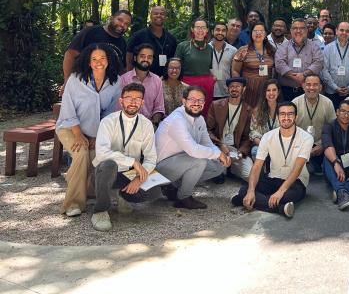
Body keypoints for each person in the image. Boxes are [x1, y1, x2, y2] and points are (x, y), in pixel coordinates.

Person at [56, 44, 123, 217]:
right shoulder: (75, 79)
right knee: (81, 153)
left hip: (97, 131)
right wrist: (79, 134)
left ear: (109, 60)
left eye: (102, 58)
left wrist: (97, 135)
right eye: (94, 59)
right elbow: (68, 110)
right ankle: (73, 203)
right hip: (70, 127)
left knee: (97, 155)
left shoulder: (116, 82)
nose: (98, 62)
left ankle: (91, 193)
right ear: (88, 61)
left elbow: (111, 112)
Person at [91, 83, 161, 231]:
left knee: (155, 190)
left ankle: (122, 196)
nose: (133, 102)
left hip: (129, 174)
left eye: (137, 99)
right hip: (104, 173)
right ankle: (100, 211)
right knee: (109, 164)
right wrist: (133, 161)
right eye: (129, 98)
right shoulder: (108, 121)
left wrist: (138, 179)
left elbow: (150, 158)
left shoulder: (146, 124)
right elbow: (102, 153)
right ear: (121, 101)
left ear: (142, 102)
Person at [231, 100, 313, 218]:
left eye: (290, 114)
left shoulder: (306, 138)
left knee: (287, 196)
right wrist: (250, 191)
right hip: (273, 178)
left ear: (296, 116)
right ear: (278, 117)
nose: (286, 117)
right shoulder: (268, 136)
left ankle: (245, 200)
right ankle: (280, 209)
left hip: (296, 182)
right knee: (246, 189)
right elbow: (257, 165)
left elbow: (298, 168)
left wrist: (280, 192)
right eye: (282, 114)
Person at [155, 85, 231, 209]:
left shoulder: (199, 119)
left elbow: (207, 143)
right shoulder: (177, 119)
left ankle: (174, 187)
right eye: (192, 100)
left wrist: (220, 156)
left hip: (181, 162)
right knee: (199, 160)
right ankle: (183, 197)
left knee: (218, 166)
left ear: (204, 102)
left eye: (200, 100)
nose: (196, 103)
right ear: (184, 101)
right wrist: (218, 154)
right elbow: (193, 150)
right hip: (160, 169)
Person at [62, 10, 132, 85]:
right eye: (120, 20)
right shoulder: (90, 32)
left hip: (108, 89)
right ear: (112, 18)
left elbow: (122, 69)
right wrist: (67, 81)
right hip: (82, 84)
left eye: (126, 24)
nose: (122, 24)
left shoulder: (123, 43)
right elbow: (70, 54)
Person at [205, 77, 253, 181]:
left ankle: (232, 168)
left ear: (243, 89)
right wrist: (220, 144)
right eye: (231, 86)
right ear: (228, 89)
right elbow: (207, 130)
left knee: (250, 175)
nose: (234, 89)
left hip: (236, 149)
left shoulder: (249, 109)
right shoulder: (215, 105)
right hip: (218, 146)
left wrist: (241, 152)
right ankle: (224, 168)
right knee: (217, 174)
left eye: (238, 86)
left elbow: (248, 136)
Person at [294, 72, 336, 173]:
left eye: (315, 85)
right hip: (300, 145)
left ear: (320, 87)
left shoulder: (327, 103)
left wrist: (322, 145)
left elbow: (333, 128)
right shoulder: (295, 103)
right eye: (308, 84)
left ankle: (313, 165)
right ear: (303, 86)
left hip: (320, 145)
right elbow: (290, 130)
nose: (311, 88)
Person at [274, 18, 324, 101]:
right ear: (291, 31)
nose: (298, 31)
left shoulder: (314, 47)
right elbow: (279, 64)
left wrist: (304, 75)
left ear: (306, 30)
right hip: (286, 91)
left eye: (301, 28)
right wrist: (295, 76)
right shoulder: (283, 46)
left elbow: (318, 63)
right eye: (295, 28)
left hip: (307, 91)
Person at [174, 18, 215, 114]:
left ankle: (203, 128)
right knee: (188, 110)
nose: (200, 30)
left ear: (207, 30)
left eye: (203, 27)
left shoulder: (209, 48)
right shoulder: (183, 46)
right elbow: (175, 66)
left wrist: (213, 78)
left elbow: (209, 67)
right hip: (188, 84)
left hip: (206, 85)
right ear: (192, 29)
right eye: (197, 27)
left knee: (205, 110)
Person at [232, 21, 276, 110]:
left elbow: (275, 70)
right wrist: (238, 87)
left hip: (266, 91)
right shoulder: (243, 50)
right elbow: (235, 70)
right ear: (251, 33)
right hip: (248, 91)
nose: (258, 33)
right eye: (255, 31)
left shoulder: (271, 50)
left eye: (261, 31)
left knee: (263, 116)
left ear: (265, 34)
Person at [119, 43, 165, 126]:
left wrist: (152, 124)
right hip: (126, 125)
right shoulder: (124, 79)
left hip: (149, 125)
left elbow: (159, 108)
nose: (146, 59)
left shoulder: (157, 80)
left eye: (149, 57)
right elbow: (119, 107)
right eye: (142, 56)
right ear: (135, 58)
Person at [126, 6, 178, 77]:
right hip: (142, 77)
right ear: (150, 16)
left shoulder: (171, 38)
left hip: (164, 79)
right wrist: (130, 74)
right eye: (155, 13)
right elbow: (129, 55)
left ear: (165, 17)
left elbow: (173, 60)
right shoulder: (138, 35)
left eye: (162, 14)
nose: (159, 15)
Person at [321, 21, 349, 108]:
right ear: (336, 31)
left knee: (348, 118)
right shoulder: (328, 49)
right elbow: (324, 70)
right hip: (331, 92)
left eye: (347, 31)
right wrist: (335, 87)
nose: (344, 33)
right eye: (342, 30)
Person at [248, 79, 282, 158]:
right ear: (264, 93)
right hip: (262, 144)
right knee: (255, 151)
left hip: (280, 144)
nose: (271, 93)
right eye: (268, 90)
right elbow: (253, 132)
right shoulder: (257, 111)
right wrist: (264, 146)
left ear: (278, 92)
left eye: (274, 90)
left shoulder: (284, 110)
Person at [210, 21, 238, 99]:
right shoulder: (205, 48)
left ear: (226, 33)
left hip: (226, 91)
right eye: (218, 30)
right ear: (212, 31)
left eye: (223, 30)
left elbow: (235, 71)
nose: (220, 32)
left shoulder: (233, 50)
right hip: (209, 91)